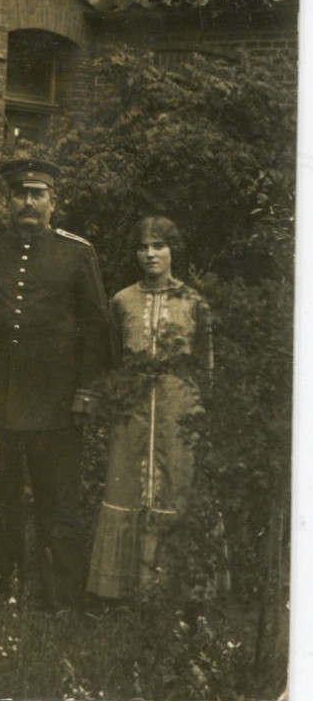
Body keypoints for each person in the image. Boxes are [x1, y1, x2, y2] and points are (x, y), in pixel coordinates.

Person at [0, 157, 111, 611]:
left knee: (58, 502)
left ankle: (61, 596)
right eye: (20, 194)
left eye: (37, 194)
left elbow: (96, 330)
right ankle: (6, 586)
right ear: (8, 199)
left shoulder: (77, 253)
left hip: (58, 402)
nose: (28, 202)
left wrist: (86, 391)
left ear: (52, 201)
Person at [87, 216, 214, 602]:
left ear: (173, 250)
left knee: (177, 485)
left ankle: (177, 590)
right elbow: (111, 359)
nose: (150, 254)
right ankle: (121, 589)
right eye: (142, 247)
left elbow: (206, 366)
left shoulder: (194, 303)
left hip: (180, 407)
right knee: (126, 483)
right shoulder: (122, 301)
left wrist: (201, 410)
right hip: (133, 408)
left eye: (158, 246)